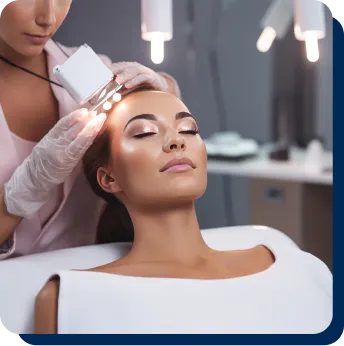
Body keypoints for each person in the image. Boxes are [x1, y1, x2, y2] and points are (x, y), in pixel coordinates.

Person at [34, 87, 332, 334]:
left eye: (188, 129)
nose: (177, 141)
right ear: (109, 178)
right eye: (145, 132)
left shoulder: (298, 268)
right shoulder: (72, 297)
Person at [0, 0, 181, 260]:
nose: (48, 18)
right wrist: (24, 190)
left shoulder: (90, 70)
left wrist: (162, 85)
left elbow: (156, 110)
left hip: (87, 276)